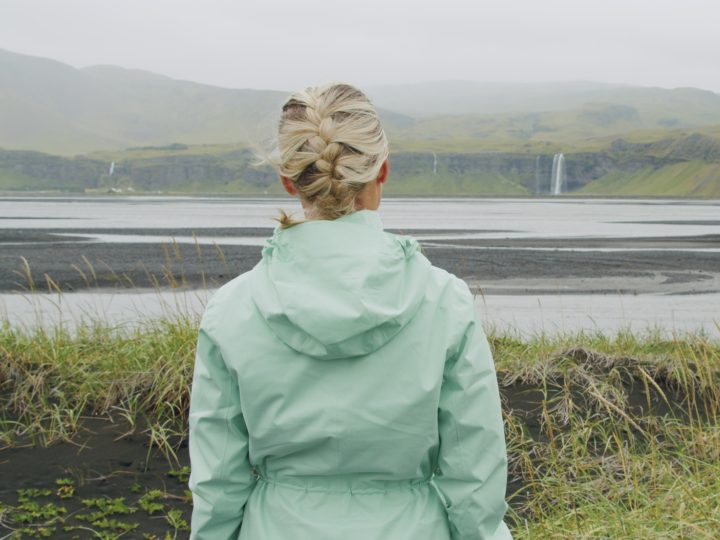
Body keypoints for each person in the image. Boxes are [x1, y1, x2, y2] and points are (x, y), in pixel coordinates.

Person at [188, 83, 512, 540]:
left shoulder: (231, 310)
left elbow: (217, 482)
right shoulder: (445, 302)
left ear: (289, 180)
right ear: (382, 171)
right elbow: (475, 474)